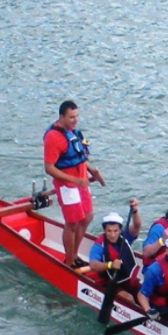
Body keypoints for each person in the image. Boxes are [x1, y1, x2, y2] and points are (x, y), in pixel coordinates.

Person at [44, 100, 104, 268]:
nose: (74, 120)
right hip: (67, 186)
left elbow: (80, 157)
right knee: (72, 222)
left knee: (87, 217)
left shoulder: (75, 132)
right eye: (71, 117)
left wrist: (92, 170)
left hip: (81, 181)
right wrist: (74, 180)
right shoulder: (53, 137)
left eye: (76, 116)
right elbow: (49, 168)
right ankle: (69, 261)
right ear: (61, 116)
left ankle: (75, 254)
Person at [87, 208, 141, 293]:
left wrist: (135, 211)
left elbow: (137, 226)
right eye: (109, 231)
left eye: (115, 231)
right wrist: (110, 265)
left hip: (125, 278)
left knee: (143, 292)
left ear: (120, 230)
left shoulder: (124, 237)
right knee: (129, 298)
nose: (112, 235)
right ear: (104, 230)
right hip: (108, 281)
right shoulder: (99, 245)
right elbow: (93, 265)